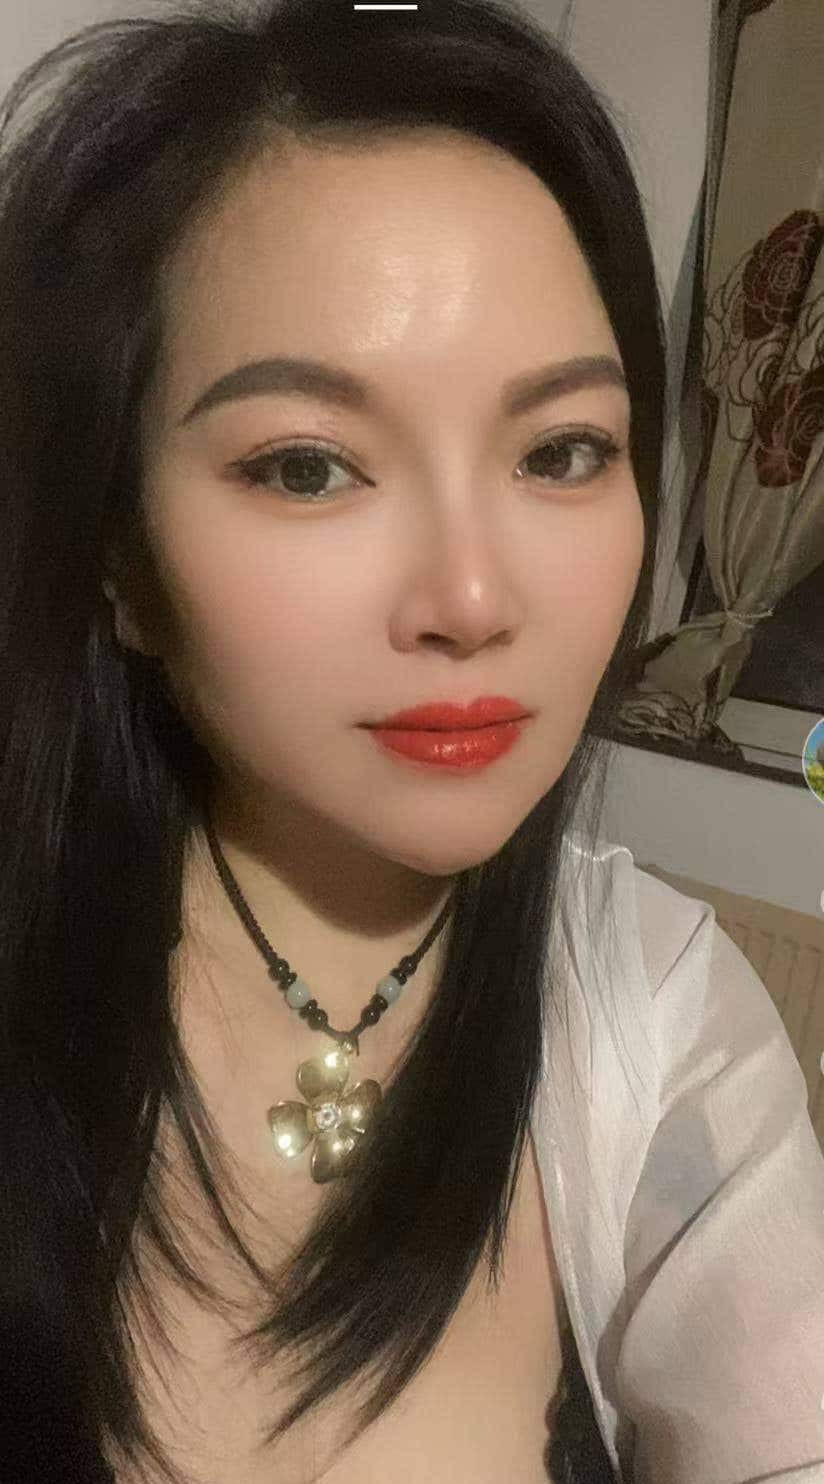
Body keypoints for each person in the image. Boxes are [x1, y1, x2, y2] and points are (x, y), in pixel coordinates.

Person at [0, 0, 822, 1481]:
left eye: (562, 451)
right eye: (308, 468)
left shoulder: (652, 1024)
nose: (474, 599)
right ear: (117, 556)